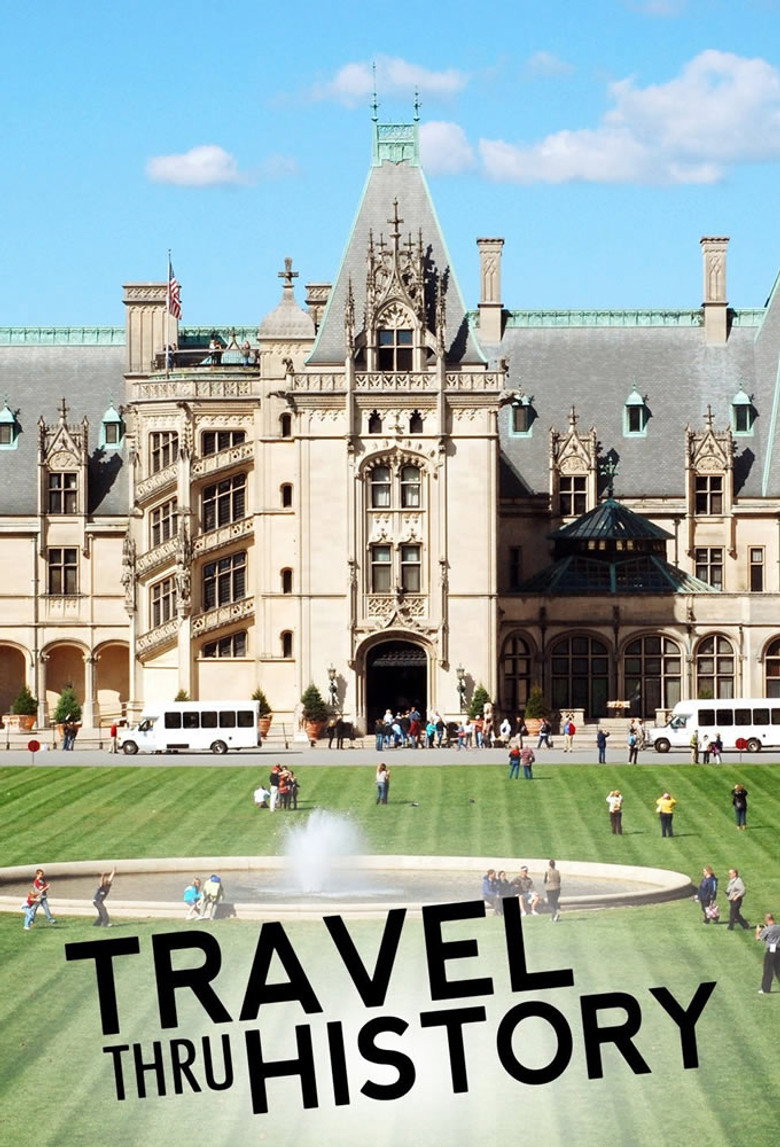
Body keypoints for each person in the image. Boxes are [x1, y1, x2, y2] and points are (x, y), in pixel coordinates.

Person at [756, 913, 780, 993]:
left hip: (771, 951)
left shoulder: (768, 929)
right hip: (779, 950)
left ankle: (765, 989)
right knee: (778, 970)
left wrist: (758, 931)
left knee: (768, 970)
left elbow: (758, 938)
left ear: (767, 919)